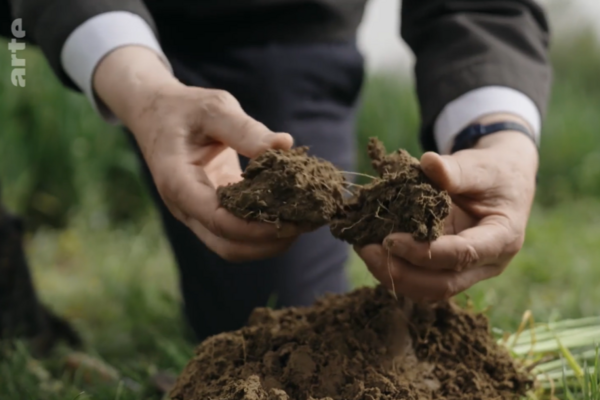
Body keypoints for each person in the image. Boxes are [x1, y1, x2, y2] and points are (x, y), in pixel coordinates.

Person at [4, 0, 550, 341]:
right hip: (105, 11)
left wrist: (499, 137)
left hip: (282, 31)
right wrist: (141, 88)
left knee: (277, 323)